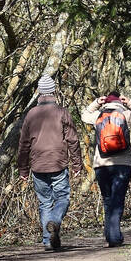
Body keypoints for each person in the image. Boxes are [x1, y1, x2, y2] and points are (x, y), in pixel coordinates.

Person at [17, 75, 83, 251]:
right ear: (54, 91)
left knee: (44, 202)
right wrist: (77, 165)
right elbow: (73, 140)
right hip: (58, 163)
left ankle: (47, 241)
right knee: (63, 198)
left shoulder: (31, 114)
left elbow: (23, 144)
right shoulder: (62, 112)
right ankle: (55, 220)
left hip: (37, 165)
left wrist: (23, 170)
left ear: (39, 92)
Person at [81, 91, 131, 247]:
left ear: (106, 102)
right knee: (117, 200)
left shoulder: (98, 115)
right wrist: (129, 102)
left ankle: (110, 235)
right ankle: (114, 237)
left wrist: (97, 102)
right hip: (122, 164)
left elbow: (84, 115)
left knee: (108, 200)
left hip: (101, 165)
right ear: (120, 101)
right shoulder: (126, 114)